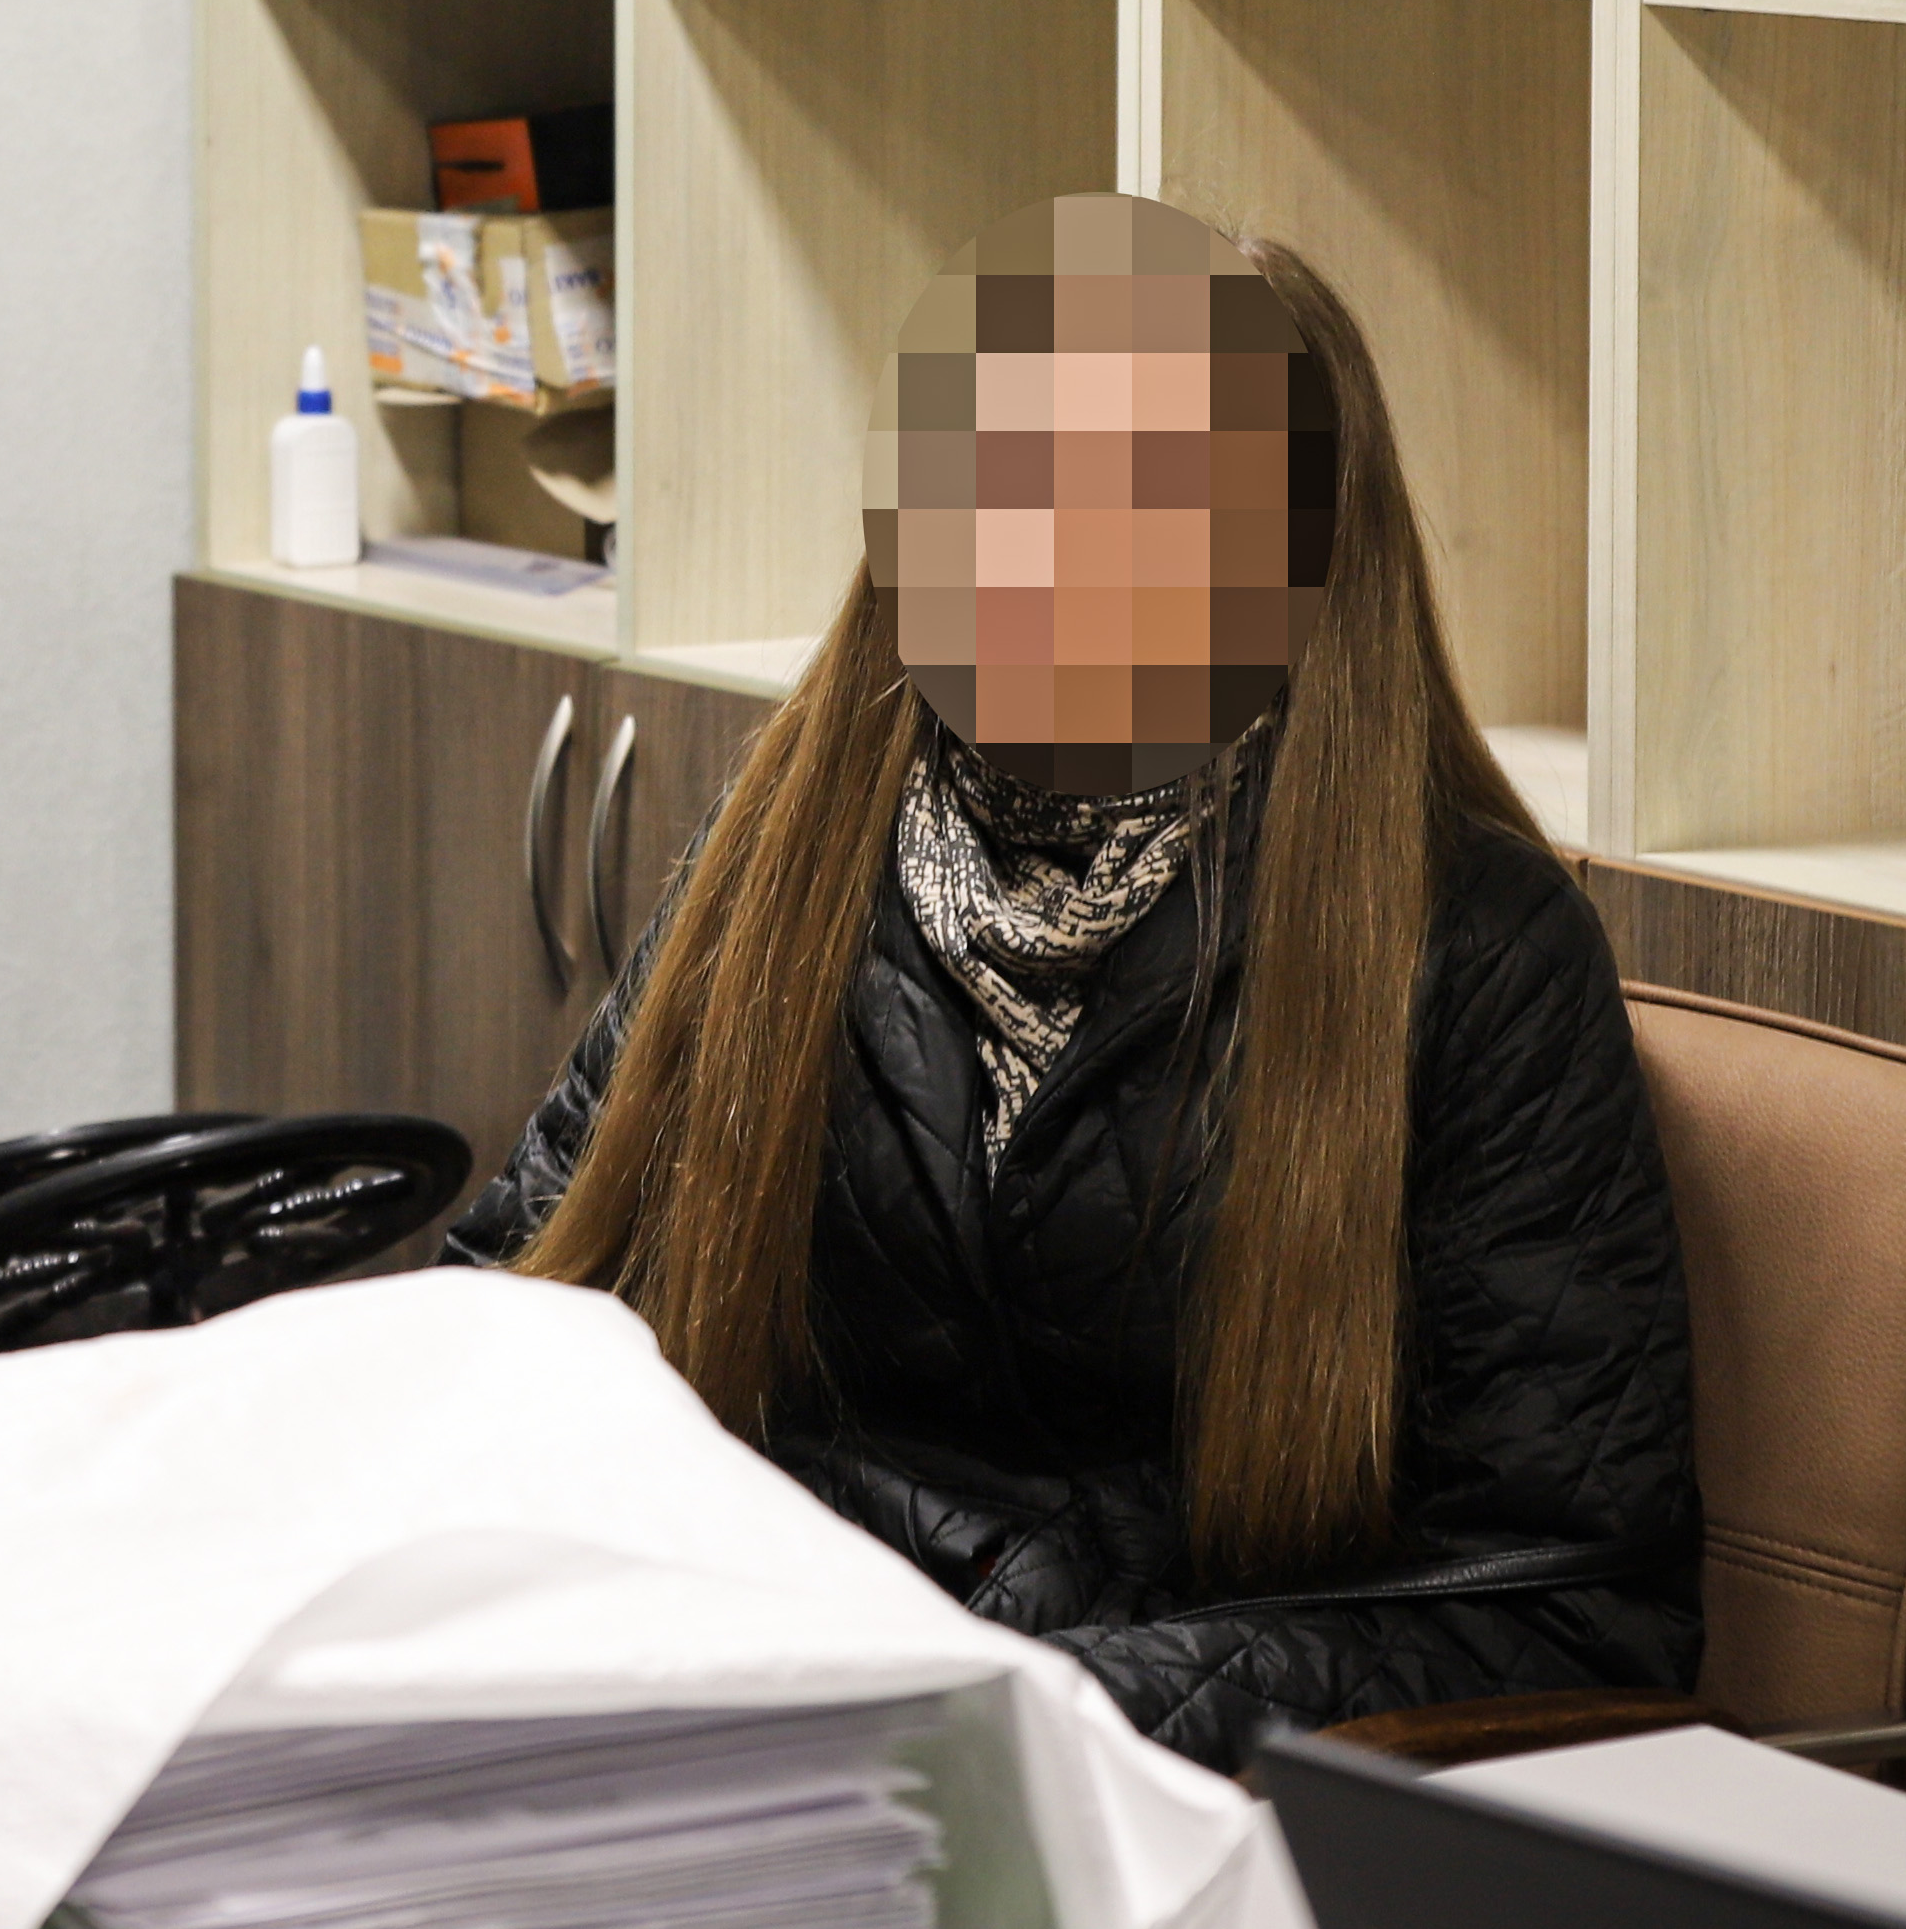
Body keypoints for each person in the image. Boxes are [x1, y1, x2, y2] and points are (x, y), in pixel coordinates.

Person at [455, 205, 1700, 1772]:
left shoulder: (1475, 953)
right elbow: (530, 1319)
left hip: (1171, 1804)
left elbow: (1574, 1609)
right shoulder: (787, 847)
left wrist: (1063, 1704)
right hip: (762, 1707)